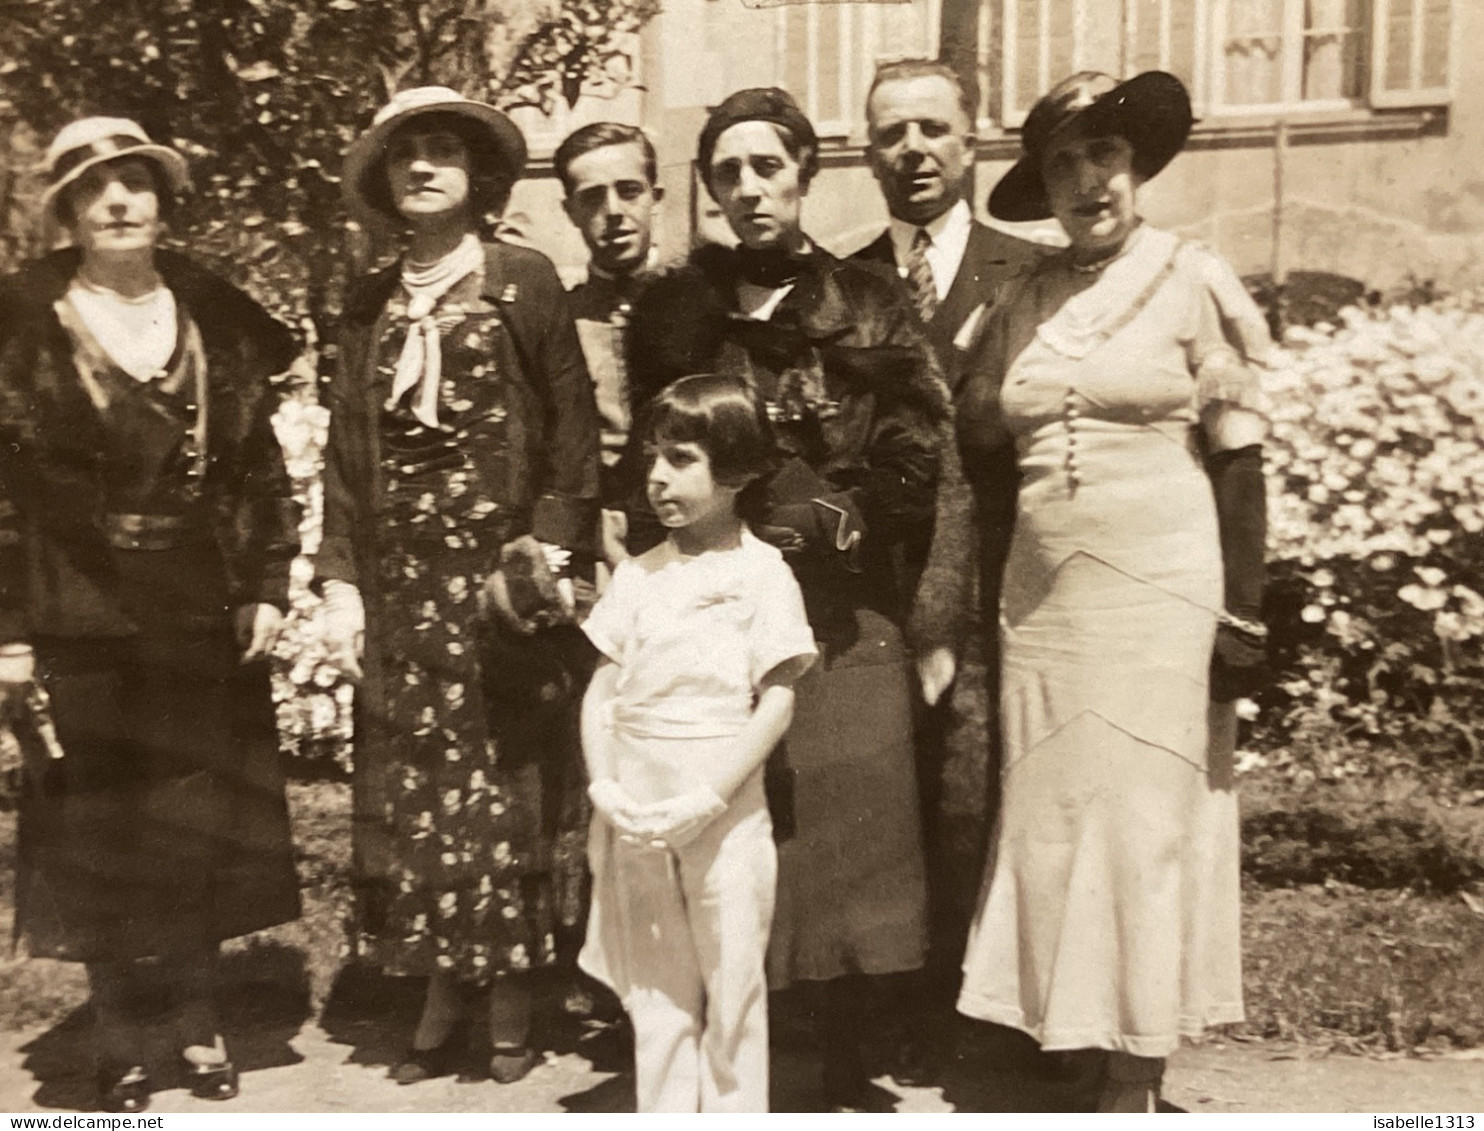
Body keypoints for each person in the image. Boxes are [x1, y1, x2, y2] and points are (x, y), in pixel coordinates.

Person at [912, 71, 1271, 1112]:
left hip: (1158, 587)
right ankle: (1070, 1037)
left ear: (1136, 163)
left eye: (1101, 156)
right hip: (1041, 602)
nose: (1084, 182)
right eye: (1062, 164)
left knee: (1143, 818)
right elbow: (975, 441)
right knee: (1055, 815)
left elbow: (1240, 460)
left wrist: (1241, 613)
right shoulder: (1019, 294)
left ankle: (1134, 1066)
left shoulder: (1191, 278)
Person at [625, 87, 944, 1111]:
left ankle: (839, 1059)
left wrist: (840, 516)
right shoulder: (676, 314)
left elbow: (912, 452)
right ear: (709, 188)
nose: (749, 189)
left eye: (768, 167)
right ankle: (745, 1063)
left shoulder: (871, 302)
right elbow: (652, 459)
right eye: (728, 172)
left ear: (806, 172)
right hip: (721, 608)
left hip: (842, 612)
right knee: (741, 836)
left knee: (844, 837)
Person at [0, 116, 303, 1113]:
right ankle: (121, 1031)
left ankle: (198, 1016)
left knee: (191, 817)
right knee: (98, 823)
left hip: (195, 601)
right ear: (68, 211)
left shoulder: (211, 315)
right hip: (75, 606)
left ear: (163, 201)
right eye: (95, 187)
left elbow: (258, 466)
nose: (119, 201)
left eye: (136, 182)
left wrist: (262, 580)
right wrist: (7, 634)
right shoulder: (22, 325)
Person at [315, 86, 601, 1086]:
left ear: (478, 176)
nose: (423, 168)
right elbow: (348, 460)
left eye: (443, 153)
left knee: (507, 792)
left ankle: (514, 992)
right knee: (424, 792)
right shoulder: (364, 302)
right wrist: (340, 579)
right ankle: (439, 982)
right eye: (405, 156)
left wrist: (550, 555)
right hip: (404, 593)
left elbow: (572, 431)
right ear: (385, 182)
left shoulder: (521, 280)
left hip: (497, 589)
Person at [851, 56, 1047, 1002]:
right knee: (890, 796)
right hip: (881, 588)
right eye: (892, 132)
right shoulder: (840, 283)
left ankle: (998, 996)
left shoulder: (1029, 272)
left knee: (997, 791)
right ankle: (903, 998)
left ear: (973, 142)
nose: (913, 149)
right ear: (867, 153)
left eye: (933, 128)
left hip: (1002, 579)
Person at [578, 372, 816, 1112]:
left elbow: (776, 700)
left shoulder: (762, 573)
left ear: (738, 471)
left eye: (680, 459)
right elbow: (601, 690)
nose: (656, 477)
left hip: (722, 807)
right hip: (638, 810)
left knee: (733, 980)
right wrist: (605, 786)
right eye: (651, 457)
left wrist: (712, 796)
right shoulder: (639, 576)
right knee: (656, 990)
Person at [554, 123, 664, 531]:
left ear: (656, 197)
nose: (614, 211)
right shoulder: (559, 319)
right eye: (593, 197)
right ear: (570, 212)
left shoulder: (701, 303)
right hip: (594, 541)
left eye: (629, 190)